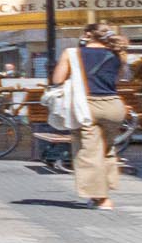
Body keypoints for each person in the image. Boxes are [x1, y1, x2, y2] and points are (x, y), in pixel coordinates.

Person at [54, 22, 128, 209]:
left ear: (87, 34)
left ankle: (101, 199)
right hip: (114, 106)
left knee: (88, 152)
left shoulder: (72, 53)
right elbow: (117, 79)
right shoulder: (118, 53)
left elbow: (58, 79)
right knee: (106, 149)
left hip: (86, 106)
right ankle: (105, 188)